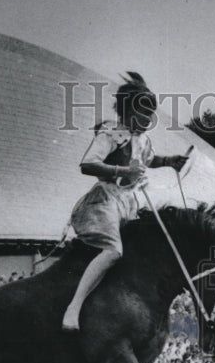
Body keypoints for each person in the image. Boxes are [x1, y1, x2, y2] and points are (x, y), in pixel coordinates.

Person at [61, 72, 190, 331]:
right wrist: (123, 172)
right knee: (113, 251)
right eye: (143, 114)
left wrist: (169, 161)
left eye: (150, 115)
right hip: (105, 201)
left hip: (129, 202)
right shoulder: (111, 133)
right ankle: (73, 308)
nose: (147, 121)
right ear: (130, 112)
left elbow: (148, 159)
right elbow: (87, 164)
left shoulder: (142, 138)